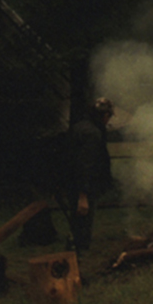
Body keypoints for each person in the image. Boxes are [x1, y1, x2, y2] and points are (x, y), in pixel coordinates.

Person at [57, 97, 115, 254]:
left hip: (71, 182)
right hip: (83, 185)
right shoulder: (93, 134)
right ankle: (79, 257)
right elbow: (86, 165)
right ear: (104, 116)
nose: (108, 120)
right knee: (83, 222)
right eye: (108, 116)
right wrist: (83, 196)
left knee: (76, 221)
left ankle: (73, 250)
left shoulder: (79, 127)